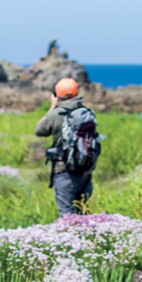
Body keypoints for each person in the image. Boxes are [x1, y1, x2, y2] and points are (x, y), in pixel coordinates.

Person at [36, 78, 94, 216]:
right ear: (76, 93)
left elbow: (39, 130)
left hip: (64, 170)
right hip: (85, 170)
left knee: (67, 215)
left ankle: (71, 237)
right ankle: (86, 237)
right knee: (83, 212)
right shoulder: (87, 113)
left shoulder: (56, 114)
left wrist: (53, 106)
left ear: (57, 95)